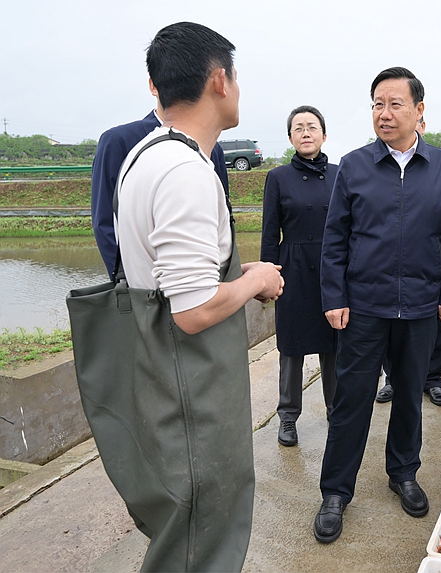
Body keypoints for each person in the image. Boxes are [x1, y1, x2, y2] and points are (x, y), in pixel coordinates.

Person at [114, 22, 284, 571]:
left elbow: (173, 278)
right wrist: (256, 281)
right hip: (192, 391)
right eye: (236, 76)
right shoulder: (186, 169)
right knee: (202, 529)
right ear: (219, 80)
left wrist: (238, 272)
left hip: (162, 377)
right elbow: (192, 311)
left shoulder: (146, 154)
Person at [315, 67, 441, 544]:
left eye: (395, 103)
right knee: (351, 399)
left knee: (409, 395)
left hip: (420, 305)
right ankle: (336, 491)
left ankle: (403, 473)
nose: (384, 113)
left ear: (420, 110)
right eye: (377, 103)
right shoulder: (354, 166)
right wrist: (334, 296)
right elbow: (334, 238)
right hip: (364, 306)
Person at [91, 82, 229, 279]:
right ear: (153, 86)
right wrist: (127, 283)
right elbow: (105, 222)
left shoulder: (213, 149)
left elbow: (221, 215)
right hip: (143, 287)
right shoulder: (119, 140)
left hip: (201, 280)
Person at [261, 105, 338, 446]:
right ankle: (288, 416)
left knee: (334, 345)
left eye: (312, 127)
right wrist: (267, 275)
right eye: (298, 128)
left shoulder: (340, 173)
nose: (305, 133)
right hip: (292, 269)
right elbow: (268, 233)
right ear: (290, 137)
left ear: (324, 134)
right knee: (291, 348)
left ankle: (337, 410)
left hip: (331, 268)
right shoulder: (277, 178)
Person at [375, 115, 441, 408]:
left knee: (436, 334)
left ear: (420, 119)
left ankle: (434, 381)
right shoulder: (364, 166)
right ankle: (392, 379)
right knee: (393, 336)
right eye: (379, 104)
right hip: (388, 280)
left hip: (430, 274)